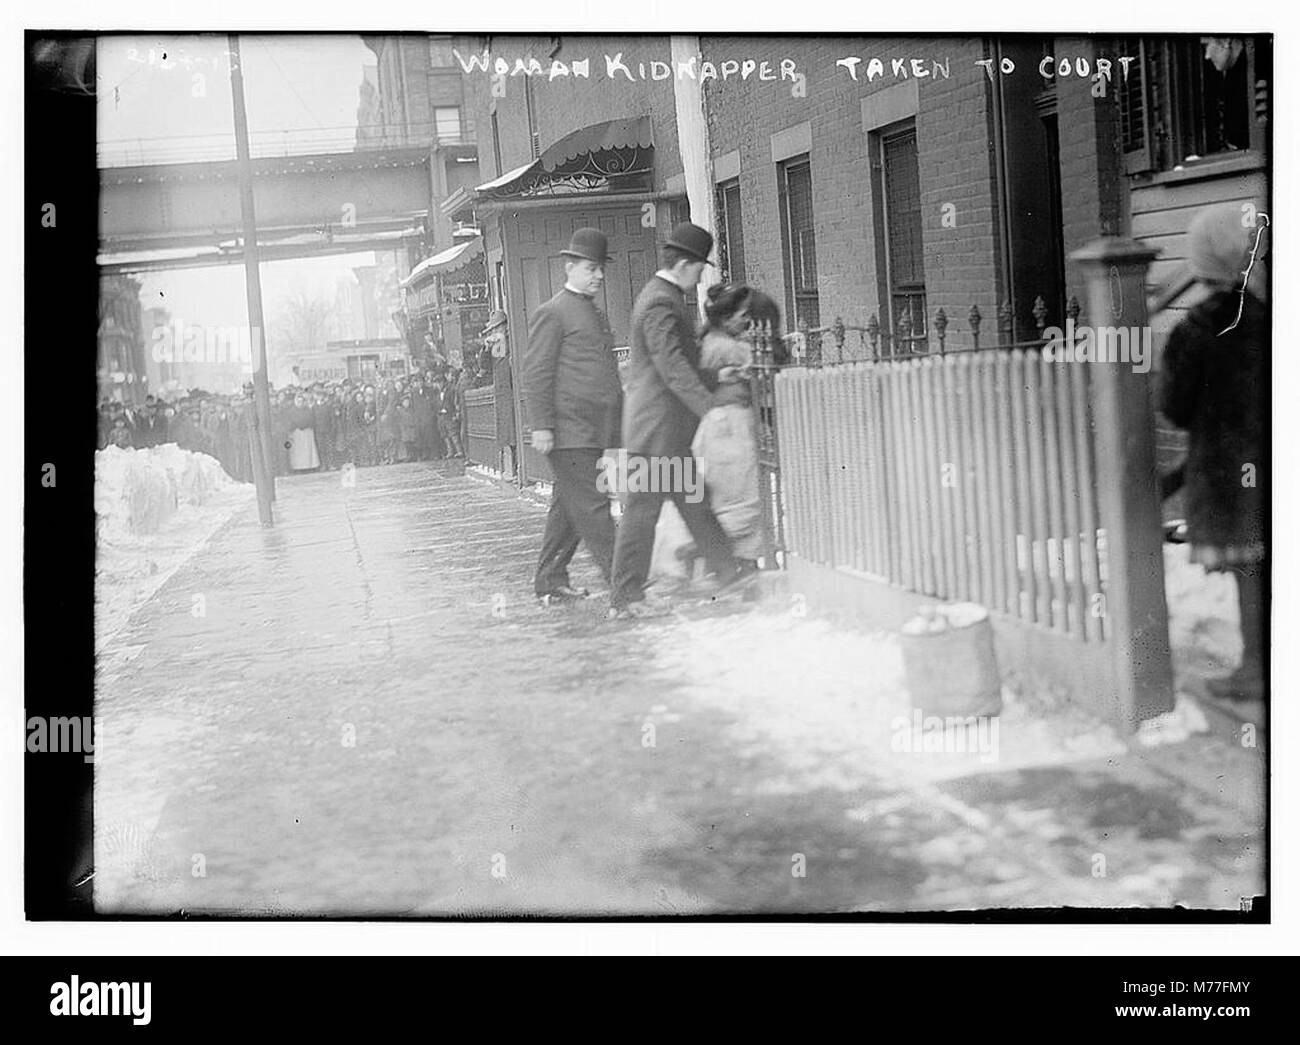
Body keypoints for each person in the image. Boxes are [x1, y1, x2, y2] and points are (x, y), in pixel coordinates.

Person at [608, 223, 752, 619]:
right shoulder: (660, 302)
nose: (700, 278)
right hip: (657, 430)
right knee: (643, 514)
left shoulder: (664, 297)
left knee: (693, 502)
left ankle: (728, 574)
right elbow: (671, 366)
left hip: (662, 429)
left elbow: (679, 363)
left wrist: (714, 377)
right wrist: (710, 409)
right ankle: (625, 597)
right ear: (686, 265)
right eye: (700, 269)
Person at [1159, 203, 1267, 703]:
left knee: (1250, 569)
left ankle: (1256, 671)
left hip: (1228, 471)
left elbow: (1177, 409)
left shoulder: (1196, 331)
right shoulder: (1266, 317)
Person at [522, 227, 623, 604]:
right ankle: (626, 588)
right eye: (591, 268)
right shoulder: (553, 313)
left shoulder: (592, 314)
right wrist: (542, 425)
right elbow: (536, 373)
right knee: (595, 510)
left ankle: (550, 579)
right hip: (568, 434)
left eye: (600, 269)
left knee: (568, 509)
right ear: (570, 268)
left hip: (589, 432)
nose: (598, 276)